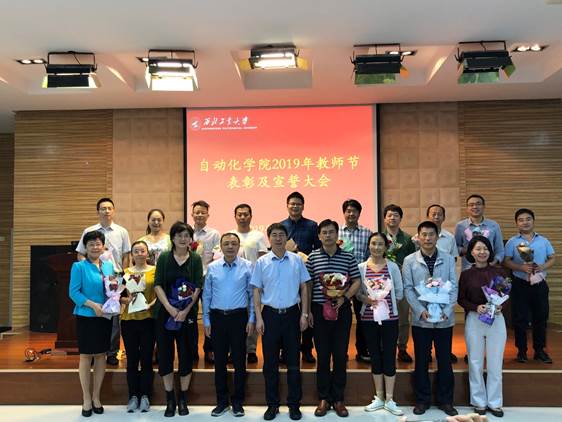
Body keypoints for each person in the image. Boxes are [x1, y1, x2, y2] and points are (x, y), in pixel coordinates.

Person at [251, 223, 310, 421]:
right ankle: (272, 405)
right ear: (269, 238)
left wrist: (304, 314)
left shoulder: (296, 260)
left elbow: (304, 287)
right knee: (270, 364)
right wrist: (258, 317)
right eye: (274, 235)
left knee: (293, 363)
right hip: (270, 316)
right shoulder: (262, 262)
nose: (278, 238)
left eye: (281, 235)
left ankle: (294, 405)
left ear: (287, 238)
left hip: (292, 314)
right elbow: (256, 290)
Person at [402, 221, 458, 417]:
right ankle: (422, 400)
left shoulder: (448, 259)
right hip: (422, 320)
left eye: (431, 234)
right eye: (423, 235)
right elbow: (408, 288)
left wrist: (447, 310)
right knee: (421, 360)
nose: (427, 238)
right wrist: (419, 310)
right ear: (418, 237)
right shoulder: (410, 260)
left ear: (437, 237)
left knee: (445, 360)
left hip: (444, 319)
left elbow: (454, 286)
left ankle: (446, 400)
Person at [307, 219, 361, 418]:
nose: (328, 235)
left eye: (331, 232)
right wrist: (308, 311)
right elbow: (308, 285)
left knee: (339, 355)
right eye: (324, 232)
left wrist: (344, 297)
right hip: (319, 310)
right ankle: (323, 398)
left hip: (341, 310)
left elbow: (356, 280)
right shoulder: (312, 257)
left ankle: (338, 398)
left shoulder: (347, 256)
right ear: (319, 236)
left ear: (337, 235)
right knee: (322, 356)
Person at [153, 221, 203, 417]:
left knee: (186, 355)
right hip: (165, 314)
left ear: (191, 239)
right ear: (172, 238)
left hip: (187, 315)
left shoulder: (195, 259)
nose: (183, 239)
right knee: (165, 356)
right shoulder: (164, 258)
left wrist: (184, 311)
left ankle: (182, 398)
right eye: (179, 235)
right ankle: (169, 399)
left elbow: (197, 287)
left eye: (187, 235)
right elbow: (158, 284)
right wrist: (170, 308)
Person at [203, 232, 255, 417]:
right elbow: (207, 295)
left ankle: (238, 402)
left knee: (240, 361)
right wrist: (206, 320)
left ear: (239, 246)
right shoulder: (212, 267)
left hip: (239, 318)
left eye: (234, 243)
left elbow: (252, 295)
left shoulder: (248, 266)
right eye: (226, 243)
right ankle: (222, 401)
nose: (230, 247)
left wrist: (251, 319)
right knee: (220, 362)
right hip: (217, 318)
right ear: (221, 247)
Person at [76, 197, 131, 366]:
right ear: (97, 211)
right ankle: (94, 351)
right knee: (95, 313)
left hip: (114, 278)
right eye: (103, 208)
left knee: (114, 315)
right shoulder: (89, 231)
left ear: (114, 211)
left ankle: (112, 352)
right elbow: (80, 253)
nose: (106, 211)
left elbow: (126, 256)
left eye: (109, 208)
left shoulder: (122, 231)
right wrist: (87, 270)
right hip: (93, 277)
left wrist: (122, 277)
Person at [458, 236, 507, 418]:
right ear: (471, 252)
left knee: (495, 362)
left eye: (485, 248)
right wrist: (475, 307)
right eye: (478, 249)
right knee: (475, 361)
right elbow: (461, 299)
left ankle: (495, 403)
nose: (482, 252)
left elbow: (506, 295)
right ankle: (478, 401)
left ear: (490, 251)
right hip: (475, 319)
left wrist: (501, 306)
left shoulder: (499, 272)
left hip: (496, 319)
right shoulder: (466, 274)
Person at [356, 232, 404, 416]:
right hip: (369, 318)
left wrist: (384, 302)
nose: (376, 247)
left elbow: (399, 292)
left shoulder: (393, 267)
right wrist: (366, 299)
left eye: (380, 244)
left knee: (389, 355)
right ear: (369, 245)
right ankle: (379, 396)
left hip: (390, 319)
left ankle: (390, 399)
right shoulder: (361, 268)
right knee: (375, 355)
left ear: (386, 247)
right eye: (373, 244)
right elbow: (358, 293)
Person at [69, 230, 115, 417]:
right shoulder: (78, 266)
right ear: (85, 248)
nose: (95, 247)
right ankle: (86, 398)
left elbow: (112, 290)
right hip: (86, 316)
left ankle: (96, 397)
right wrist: (92, 305)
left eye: (98, 244)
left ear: (103, 247)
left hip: (105, 317)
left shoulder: (109, 266)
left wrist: (118, 300)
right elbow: (73, 292)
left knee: (101, 355)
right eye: (91, 244)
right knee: (86, 356)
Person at [504, 208, 556, 364]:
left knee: (541, 317)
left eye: (528, 219)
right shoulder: (512, 242)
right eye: (521, 220)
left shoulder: (543, 241)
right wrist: (520, 267)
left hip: (539, 284)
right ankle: (521, 351)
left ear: (533, 221)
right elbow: (506, 261)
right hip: (520, 284)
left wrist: (543, 267)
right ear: (516, 223)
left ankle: (539, 351)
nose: (525, 222)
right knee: (520, 318)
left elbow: (552, 257)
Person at [281, 191, 321, 364]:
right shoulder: (281, 226)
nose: (295, 206)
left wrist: (304, 256)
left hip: (307, 273)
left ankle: (307, 349)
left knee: (307, 310)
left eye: (298, 204)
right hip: (286, 275)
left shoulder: (312, 225)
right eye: (292, 203)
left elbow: (318, 249)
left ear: (303, 206)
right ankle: (286, 350)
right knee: (288, 312)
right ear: (287, 205)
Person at [120, 240, 157, 413]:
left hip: (149, 319)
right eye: (136, 251)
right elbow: (118, 296)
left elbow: (160, 294)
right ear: (132, 254)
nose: (139, 254)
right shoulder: (125, 273)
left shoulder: (155, 271)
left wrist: (149, 305)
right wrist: (127, 300)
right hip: (129, 320)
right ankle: (133, 396)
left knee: (147, 359)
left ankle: (146, 396)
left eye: (142, 251)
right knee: (132, 360)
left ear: (147, 253)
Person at [231, 203, 268, 364]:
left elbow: (262, 259)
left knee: (252, 313)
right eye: (239, 214)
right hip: (234, 282)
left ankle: (251, 349)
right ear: (235, 216)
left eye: (245, 214)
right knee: (236, 316)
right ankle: (234, 349)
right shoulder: (230, 235)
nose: (242, 217)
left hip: (253, 282)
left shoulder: (258, 236)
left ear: (251, 216)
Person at [338, 199, 372, 363]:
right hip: (339, 282)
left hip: (360, 281)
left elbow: (370, 257)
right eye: (348, 211)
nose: (351, 214)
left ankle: (362, 351)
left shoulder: (367, 233)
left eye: (354, 211)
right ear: (344, 213)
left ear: (359, 213)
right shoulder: (337, 232)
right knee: (341, 319)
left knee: (362, 317)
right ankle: (340, 351)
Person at [382, 204, 416, 363]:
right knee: (383, 316)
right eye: (389, 215)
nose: (392, 218)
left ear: (400, 218)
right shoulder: (379, 238)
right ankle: (384, 347)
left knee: (403, 317)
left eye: (396, 215)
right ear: (384, 219)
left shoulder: (408, 239)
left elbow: (413, 261)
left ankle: (402, 348)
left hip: (402, 283)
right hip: (381, 284)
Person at [191, 200, 221, 363]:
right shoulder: (186, 232)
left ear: (208, 215)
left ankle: (210, 349)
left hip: (208, 278)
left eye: (203, 212)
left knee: (210, 313)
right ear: (192, 214)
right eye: (197, 212)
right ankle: (192, 349)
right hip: (190, 280)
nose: (200, 215)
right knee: (190, 314)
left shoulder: (214, 234)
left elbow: (218, 256)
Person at [455, 194, 504, 271]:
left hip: (489, 269)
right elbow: (455, 248)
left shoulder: (494, 225)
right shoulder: (460, 226)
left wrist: (493, 262)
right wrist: (467, 249)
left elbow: (500, 250)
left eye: (478, 204)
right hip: (468, 269)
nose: (475, 207)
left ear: (484, 207)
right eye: (471, 205)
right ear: (467, 208)